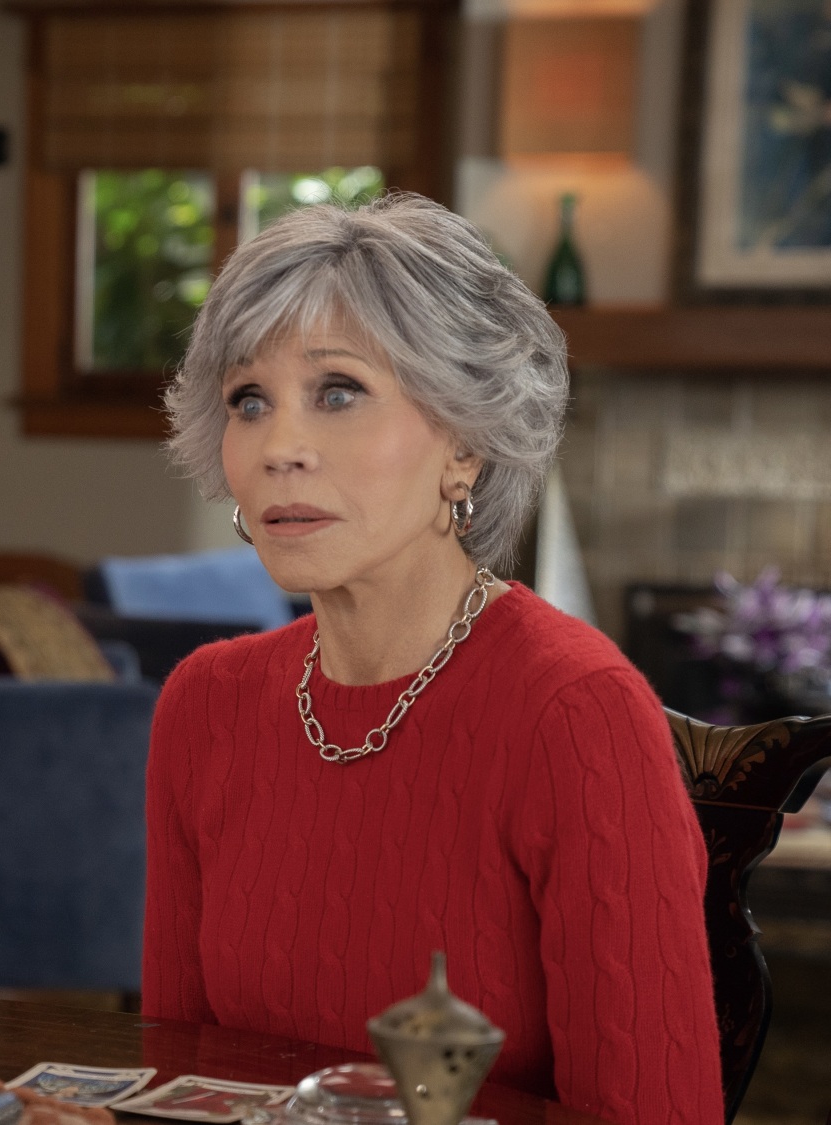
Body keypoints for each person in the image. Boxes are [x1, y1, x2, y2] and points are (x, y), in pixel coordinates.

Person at [146, 194, 722, 1125]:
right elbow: (176, 1087)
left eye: (338, 391)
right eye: (249, 400)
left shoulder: (575, 711)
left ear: (465, 443)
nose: (280, 447)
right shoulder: (205, 704)